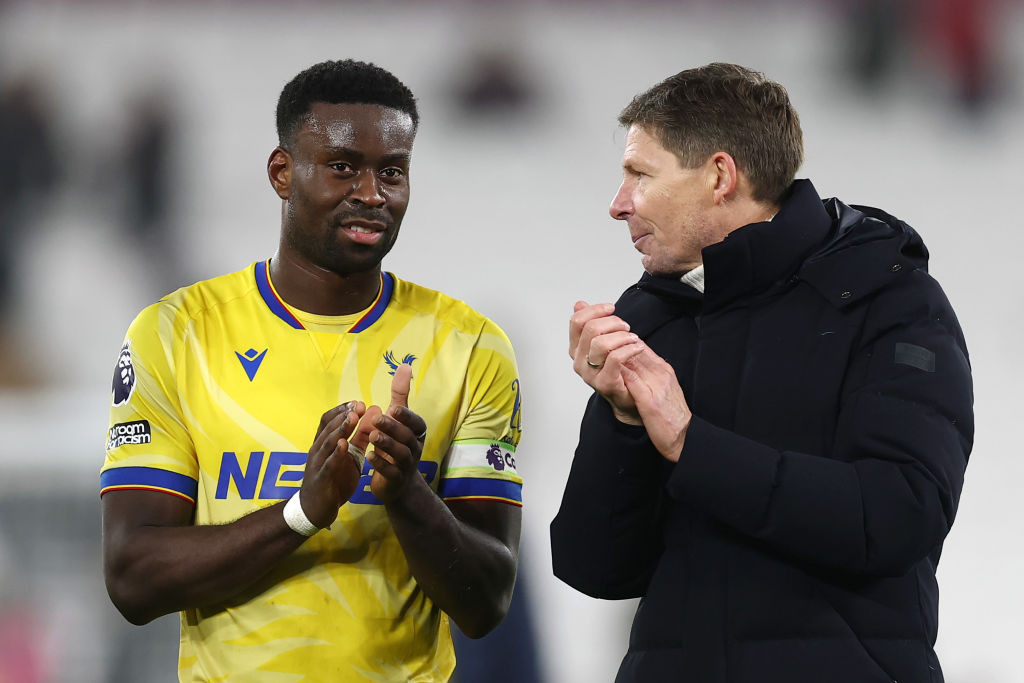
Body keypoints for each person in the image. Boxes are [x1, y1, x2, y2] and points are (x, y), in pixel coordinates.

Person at [101, 60, 524, 682]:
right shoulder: (174, 334)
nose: (372, 193)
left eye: (392, 172)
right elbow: (132, 578)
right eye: (343, 167)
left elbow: (487, 602)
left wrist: (407, 494)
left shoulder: (471, 346)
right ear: (282, 172)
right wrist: (301, 511)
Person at [550, 63, 972, 683]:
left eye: (641, 175)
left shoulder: (891, 301)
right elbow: (592, 568)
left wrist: (691, 444)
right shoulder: (650, 316)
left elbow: (899, 514)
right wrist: (623, 422)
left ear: (720, 176)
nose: (618, 205)